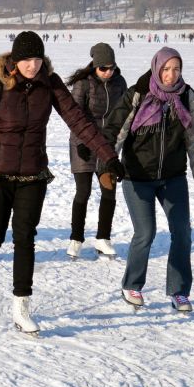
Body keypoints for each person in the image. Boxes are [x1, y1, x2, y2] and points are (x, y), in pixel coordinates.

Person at [0, 30, 124, 335]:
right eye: (26, 59)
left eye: (37, 59)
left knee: (25, 237)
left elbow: (78, 121)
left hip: (32, 174)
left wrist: (108, 156)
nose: (32, 65)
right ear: (14, 59)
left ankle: (21, 308)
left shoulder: (49, 84)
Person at [103, 47, 194, 312]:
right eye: (166, 69)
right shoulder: (138, 94)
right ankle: (132, 285)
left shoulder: (187, 96)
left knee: (182, 232)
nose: (171, 75)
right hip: (136, 177)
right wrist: (106, 166)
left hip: (172, 177)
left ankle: (179, 291)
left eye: (176, 69)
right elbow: (114, 131)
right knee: (145, 233)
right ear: (156, 68)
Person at [65, 43, 128, 259]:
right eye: (103, 68)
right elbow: (74, 116)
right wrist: (82, 142)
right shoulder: (84, 83)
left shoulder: (119, 83)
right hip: (82, 143)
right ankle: (76, 239)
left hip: (107, 145)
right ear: (94, 66)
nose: (107, 72)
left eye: (111, 68)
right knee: (83, 191)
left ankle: (103, 238)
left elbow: (125, 113)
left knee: (108, 191)